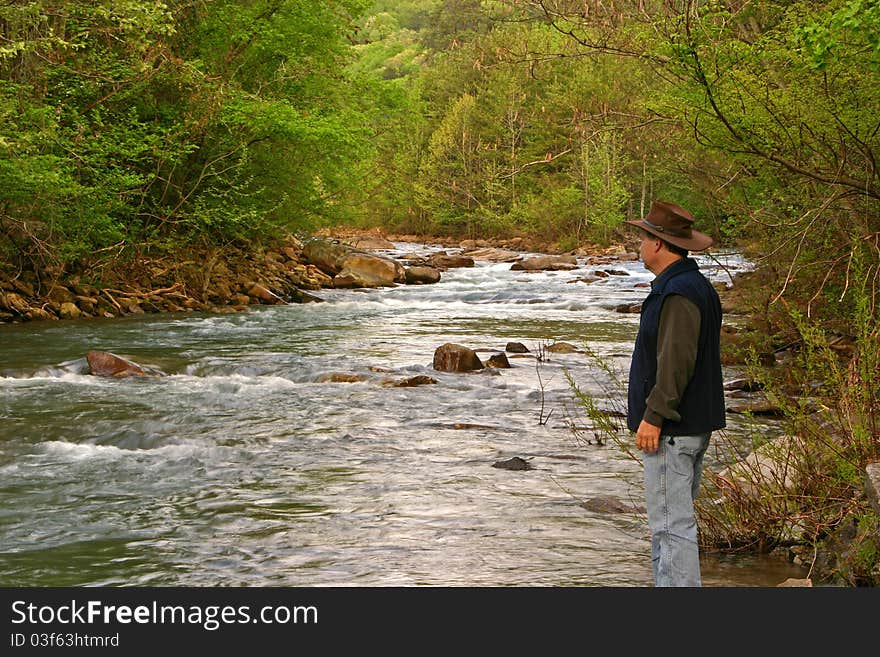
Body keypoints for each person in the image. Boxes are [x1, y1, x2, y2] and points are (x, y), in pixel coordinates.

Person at [624, 200, 726, 587]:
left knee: (671, 526)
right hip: (689, 424)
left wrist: (654, 416)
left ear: (659, 245)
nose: (639, 244)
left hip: (671, 429)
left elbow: (676, 362)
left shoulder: (679, 293)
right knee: (669, 522)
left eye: (643, 237)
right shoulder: (691, 286)